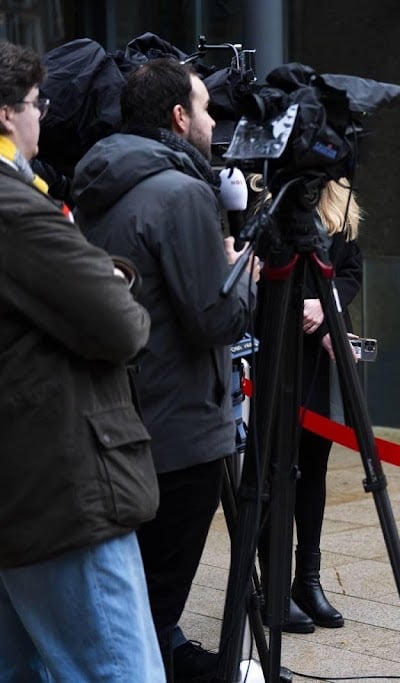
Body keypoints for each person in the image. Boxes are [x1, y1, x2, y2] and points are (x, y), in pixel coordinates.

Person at [72, 58, 259, 682]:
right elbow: (211, 317)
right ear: (179, 118)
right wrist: (244, 275)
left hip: (124, 415)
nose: (213, 121)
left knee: (134, 600)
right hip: (180, 430)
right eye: (205, 109)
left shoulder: (101, 181)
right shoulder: (180, 191)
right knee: (153, 603)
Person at [0, 41, 164, 681]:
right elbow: (122, 325)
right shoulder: (14, 206)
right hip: (61, 487)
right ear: (7, 115)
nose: (44, 118)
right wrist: (117, 275)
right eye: (37, 105)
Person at [253, 176, 363, 633]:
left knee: (314, 468)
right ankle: (271, 588)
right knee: (277, 469)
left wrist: (327, 307)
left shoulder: (343, 200)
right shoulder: (272, 196)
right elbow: (273, 281)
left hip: (326, 349)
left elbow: (352, 272)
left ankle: (308, 581)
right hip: (282, 348)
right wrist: (314, 313)